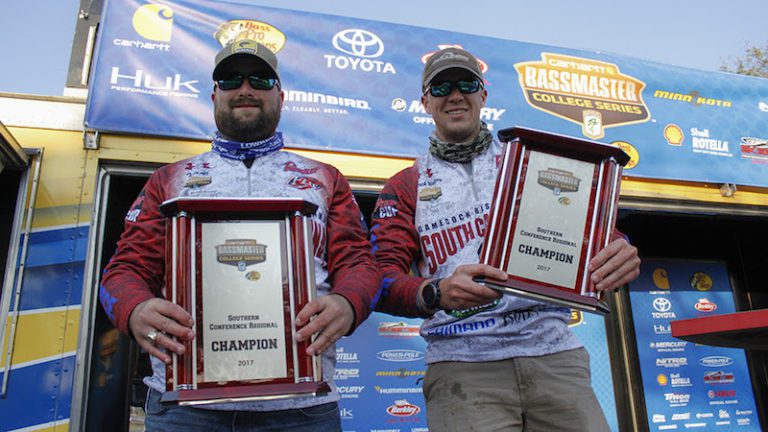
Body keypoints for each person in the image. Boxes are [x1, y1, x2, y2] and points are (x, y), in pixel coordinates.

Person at [100, 38, 380, 431]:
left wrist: (348, 303)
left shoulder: (324, 178)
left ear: (280, 95)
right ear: (215, 95)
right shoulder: (168, 179)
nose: (245, 89)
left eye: (260, 79)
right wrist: (135, 310)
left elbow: (360, 264)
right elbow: (123, 271)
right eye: (231, 80)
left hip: (301, 407)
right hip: (186, 407)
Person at [370, 47, 641, 432]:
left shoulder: (534, 162)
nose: (455, 94)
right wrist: (437, 292)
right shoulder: (406, 184)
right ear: (425, 101)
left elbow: (586, 233)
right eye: (442, 86)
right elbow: (381, 277)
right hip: (461, 366)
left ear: (483, 94)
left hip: (554, 356)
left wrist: (617, 246)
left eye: (467, 83)